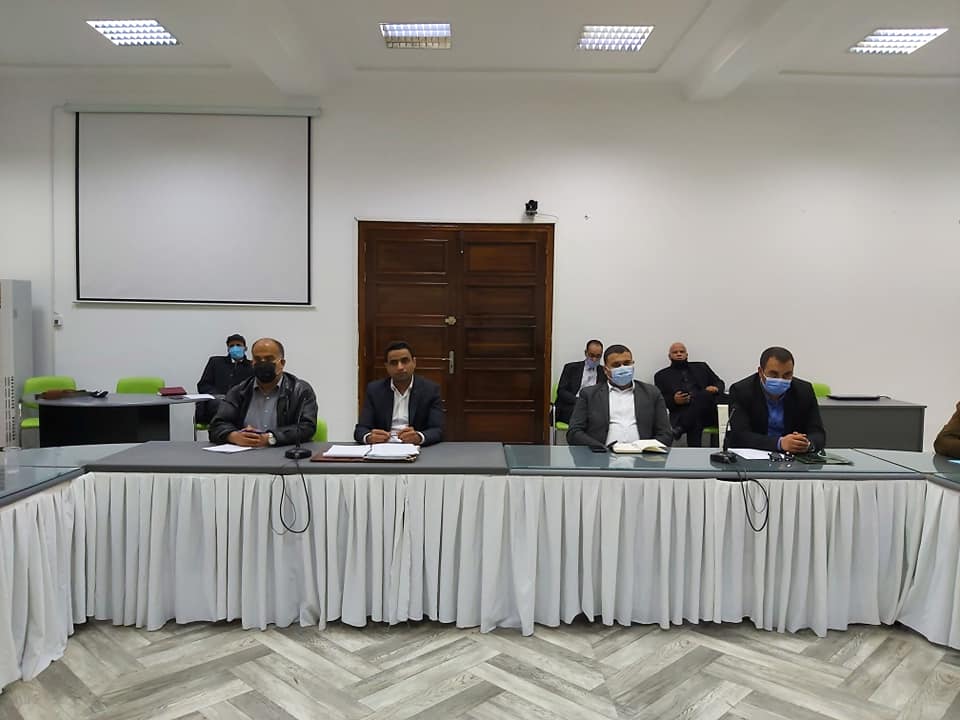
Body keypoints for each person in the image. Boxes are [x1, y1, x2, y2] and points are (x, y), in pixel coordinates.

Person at [208, 337, 317, 447]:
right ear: (252, 362)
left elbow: (307, 427)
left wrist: (271, 438)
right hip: (244, 454)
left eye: (269, 359)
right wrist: (234, 436)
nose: (263, 363)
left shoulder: (300, 390)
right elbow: (217, 425)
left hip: (283, 453)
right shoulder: (239, 391)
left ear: (282, 363)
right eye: (258, 359)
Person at [567, 343, 673, 449]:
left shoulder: (652, 393)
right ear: (606, 370)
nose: (623, 368)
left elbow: (666, 434)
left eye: (627, 363)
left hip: (643, 455)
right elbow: (574, 432)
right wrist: (600, 448)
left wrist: (647, 448)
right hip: (602, 455)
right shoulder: (589, 395)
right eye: (616, 365)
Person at [727, 346, 825, 454]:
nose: (780, 380)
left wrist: (806, 444)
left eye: (787, 375)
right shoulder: (741, 391)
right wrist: (780, 443)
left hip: (793, 457)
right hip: (754, 455)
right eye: (773, 375)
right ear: (760, 372)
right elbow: (740, 436)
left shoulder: (804, 391)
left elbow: (818, 433)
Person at [354, 341, 444, 446]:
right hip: (383, 447)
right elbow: (360, 429)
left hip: (415, 447)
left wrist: (419, 437)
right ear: (387, 366)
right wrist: (369, 437)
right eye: (394, 363)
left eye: (405, 361)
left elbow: (438, 430)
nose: (400, 367)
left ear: (414, 362)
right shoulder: (374, 390)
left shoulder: (430, 390)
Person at [654, 342, 725, 447]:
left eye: (681, 352)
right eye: (675, 352)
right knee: (696, 421)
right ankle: (694, 452)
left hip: (709, 413)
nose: (679, 354)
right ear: (669, 356)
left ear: (687, 355)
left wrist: (716, 388)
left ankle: (681, 427)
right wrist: (674, 400)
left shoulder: (702, 367)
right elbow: (661, 400)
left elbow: (720, 383)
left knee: (703, 395)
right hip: (683, 411)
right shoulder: (661, 375)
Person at [195, 333, 254, 424]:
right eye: (232, 346)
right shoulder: (215, 362)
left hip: (239, 404)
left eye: (238, 345)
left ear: (245, 348)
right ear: (228, 349)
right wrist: (218, 395)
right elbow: (203, 385)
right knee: (220, 406)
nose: (235, 348)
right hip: (216, 402)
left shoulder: (251, 366)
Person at [555, 340, 604, 424]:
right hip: (573, 405)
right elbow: (561, 391)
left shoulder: (603, 372)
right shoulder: (571, 368)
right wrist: (580, 401)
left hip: (593, 408)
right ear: (586, 353)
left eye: (598, 356)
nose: (594, 359)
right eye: (591, 355)